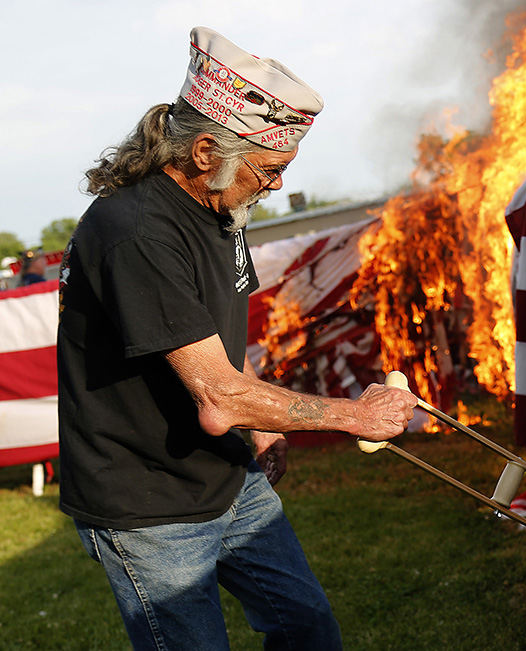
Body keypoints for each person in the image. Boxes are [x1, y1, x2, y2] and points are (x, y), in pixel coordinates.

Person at [57, 26, 417, 650]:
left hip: (228, 478)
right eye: (269, 170)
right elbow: (218, 397)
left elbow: (220, 340)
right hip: (146, 504)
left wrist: (267, 423)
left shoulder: (224, 210)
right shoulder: (135, 231)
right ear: (204, 153)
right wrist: (354, 416)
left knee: (306, 627)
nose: (275, 186)